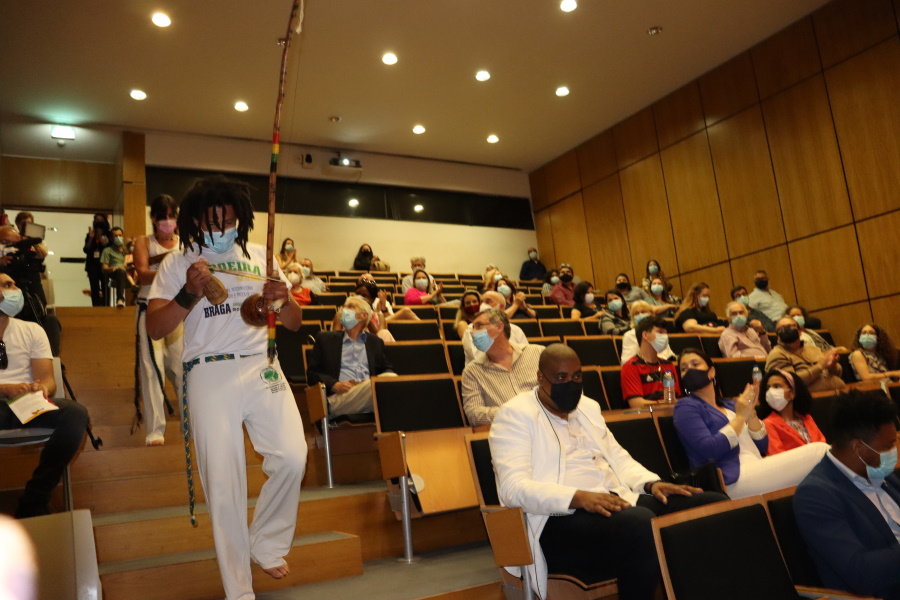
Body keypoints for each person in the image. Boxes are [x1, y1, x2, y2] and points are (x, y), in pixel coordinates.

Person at [146, 175, 307, 600]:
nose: (220, 229)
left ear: (241, 219)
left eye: (229, 221)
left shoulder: (260, 254)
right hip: (208, 371)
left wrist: (284, 299)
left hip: (262, 365)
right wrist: (188, 293)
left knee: (293, 457)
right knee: (223, 480)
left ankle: (266, 542)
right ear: (195, 219)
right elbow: (155, 327)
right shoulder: (178, 262)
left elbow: (294, 323)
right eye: (211, 222)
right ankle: (239, 588)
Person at [490, 344, 726, 600]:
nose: (570, 384)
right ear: (540, 377)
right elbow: (513, 489)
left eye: (576, 377)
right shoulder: (515, 415)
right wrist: (579, 497)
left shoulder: (587, 407)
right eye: (561, 377)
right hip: (555, 517)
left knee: (710, 505)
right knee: (639, 522)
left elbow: (618, 457)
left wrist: (651, 484)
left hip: (614, 501)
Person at [674, 348, 828, 499]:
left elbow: (762, 445)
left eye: (695, 364)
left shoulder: (729, 405)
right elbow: (709, 450)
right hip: (730, 479)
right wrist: (741, 417)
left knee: (817, 481)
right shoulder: (685, 407)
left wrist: (751, 413)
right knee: (819, 452)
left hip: (757, 466)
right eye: (683, 369)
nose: (690, 370)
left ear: (711, 372)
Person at [793, 390, 900, 600]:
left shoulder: (884, 474)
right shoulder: (816, 496)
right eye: (888, 446)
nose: (894, 451)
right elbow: (860, 572)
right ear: (858, 447)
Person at [0, 273, 89, 518]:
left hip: (25, 405)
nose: (14, 289)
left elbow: (48, 379)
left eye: (13, 284)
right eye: (6, 285)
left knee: (74, 414)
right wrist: (5, 389)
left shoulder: (32, 330)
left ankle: (34, 499)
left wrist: (41, 388)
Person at [132, 194, 184, 446]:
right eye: (162, 217)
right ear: (153, 218)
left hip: (177, 309)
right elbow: (142, 274)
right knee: (151, 368)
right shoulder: (144, 242)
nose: (167, 222)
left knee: (181, 367)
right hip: (148, 307)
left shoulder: (184, 242)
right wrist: (171, 270)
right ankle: (155, 429)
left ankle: (191, 423)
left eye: (171, 217)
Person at [307, 296, 397, 417]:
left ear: (364, 316)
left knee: (390, 380)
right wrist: (334, 385)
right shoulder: (326, 339)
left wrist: (366, 384)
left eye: (351, 307)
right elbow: (312, 374)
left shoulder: (374, 342)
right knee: (387, 383)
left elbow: (387, 369)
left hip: (367, 394)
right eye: (345, 307)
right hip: (338, 398)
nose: (345, 310)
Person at [461, 308, 544, 426]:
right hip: (509, 430)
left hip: (548, 424)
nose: (472, 332)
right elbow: (474, 415)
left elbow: (559, 391)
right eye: (472, 328)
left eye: (478, 326)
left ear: (499, 327)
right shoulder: (472, 372)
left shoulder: (538, 353)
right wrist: (513, 412)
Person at [766, 317, 844, 393]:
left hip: (834, 392)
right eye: (782, 329)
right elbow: (790, 382)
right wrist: (820, 366)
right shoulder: (776, 354)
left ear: (800, 331)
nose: (787, 330)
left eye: (791, 326)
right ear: (777, 336)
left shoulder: (813, 349)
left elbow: (837, 373)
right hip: (807, 398)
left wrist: (832, 366)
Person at [757, 369, 826, 455]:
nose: (770, 392)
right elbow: (777, 456)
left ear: (792, 393)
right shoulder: (768, 424)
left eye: (777, 386)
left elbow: (822, 445)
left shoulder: (807, 418)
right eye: (768, 388)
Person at [621, 316, 680, 408]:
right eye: (660, 332)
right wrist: (664, 404)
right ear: (645, 335)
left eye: (665, 333)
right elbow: (636, 404)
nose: (665, 337)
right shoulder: (631, 366)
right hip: (648, 415)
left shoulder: (668, 365)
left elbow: (674, 397)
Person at [462, 291, 528, 365]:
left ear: (501, 307)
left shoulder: (516, 330)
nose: (483, 305)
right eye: (482, 302)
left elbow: (526, 356)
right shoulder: (471, 329)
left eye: (488, 301)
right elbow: (478, 358)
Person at [83, 213, 110, 306]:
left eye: (100, 220)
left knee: (105, 287)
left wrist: (102, 239)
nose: (97, 222)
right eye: (96, 220)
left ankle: (106, 306)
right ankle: (96, 307)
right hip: (92, 265)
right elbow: (86, 249)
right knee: (94, 288)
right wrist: (91, 238)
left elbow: (109, 248)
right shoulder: (90, 234)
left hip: (104, 264)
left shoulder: (108, 234)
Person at [100, 226, 129, 307]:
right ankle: (120, 299)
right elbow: (104, 268)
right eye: (115, 236)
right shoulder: (107, 251)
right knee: (120, 272)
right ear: (111, 238)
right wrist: (113, 268)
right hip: (114, 272)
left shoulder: (126, 250)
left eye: (120, 235)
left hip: (128, 271)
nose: (118, 238)